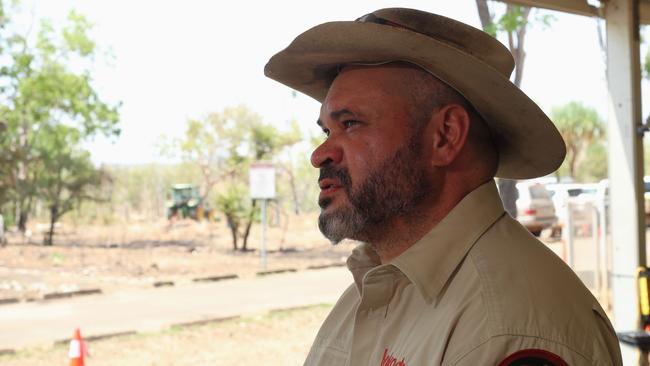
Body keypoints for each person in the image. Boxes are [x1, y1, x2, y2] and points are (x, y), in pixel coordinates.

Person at [265, 8, 622, 366]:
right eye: (327, 131)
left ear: (445, 136)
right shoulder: (374, 290)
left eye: (351, 124)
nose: (320, 154)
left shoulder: (508, 326)